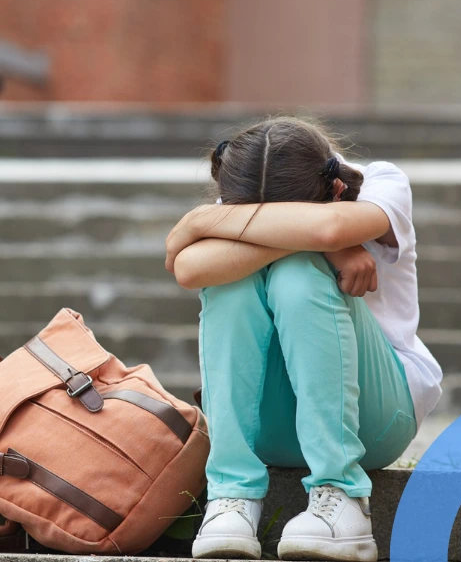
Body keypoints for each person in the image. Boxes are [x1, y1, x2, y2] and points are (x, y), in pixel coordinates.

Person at [164, 118, 443, 562]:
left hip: (376, 418)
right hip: (272, 427)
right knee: (228, 283)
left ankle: (342, 496)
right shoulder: (248, 188)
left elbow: (330, 229)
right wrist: (316, 239)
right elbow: (189, 269)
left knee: (297, 272)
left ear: (335, 189)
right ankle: (231, 496)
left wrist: (206, 221)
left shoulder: (381, 183)